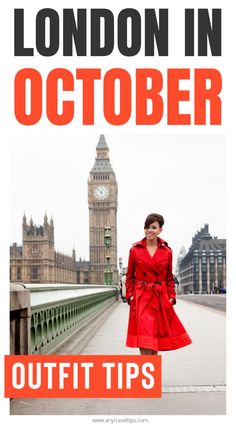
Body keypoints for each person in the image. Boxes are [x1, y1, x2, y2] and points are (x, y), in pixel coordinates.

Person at [125, 213, 192, 355]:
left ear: (160, 230)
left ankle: (151, 374)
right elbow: (130, 277)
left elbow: (169, 278)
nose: (150, 230)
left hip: (159, 298)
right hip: (142, 297)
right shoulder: (135, 250)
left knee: (155, 338)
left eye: (153, 227)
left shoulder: (167, 252)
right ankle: (147, 374)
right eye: (147, 227)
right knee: (144, 338)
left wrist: (171, 297)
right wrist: (130, 296)